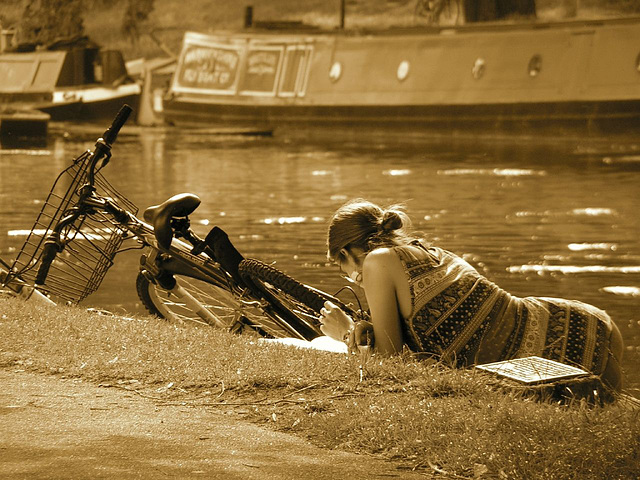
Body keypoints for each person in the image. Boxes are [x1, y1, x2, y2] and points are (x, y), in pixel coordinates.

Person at [319, 199, 624, 393]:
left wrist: (344, 331)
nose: (349, 278)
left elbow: (389, 364)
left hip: (554, 345)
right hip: (584, 322)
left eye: (341, 267)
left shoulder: (376, 261)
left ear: (346, 253)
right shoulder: (426, 251)